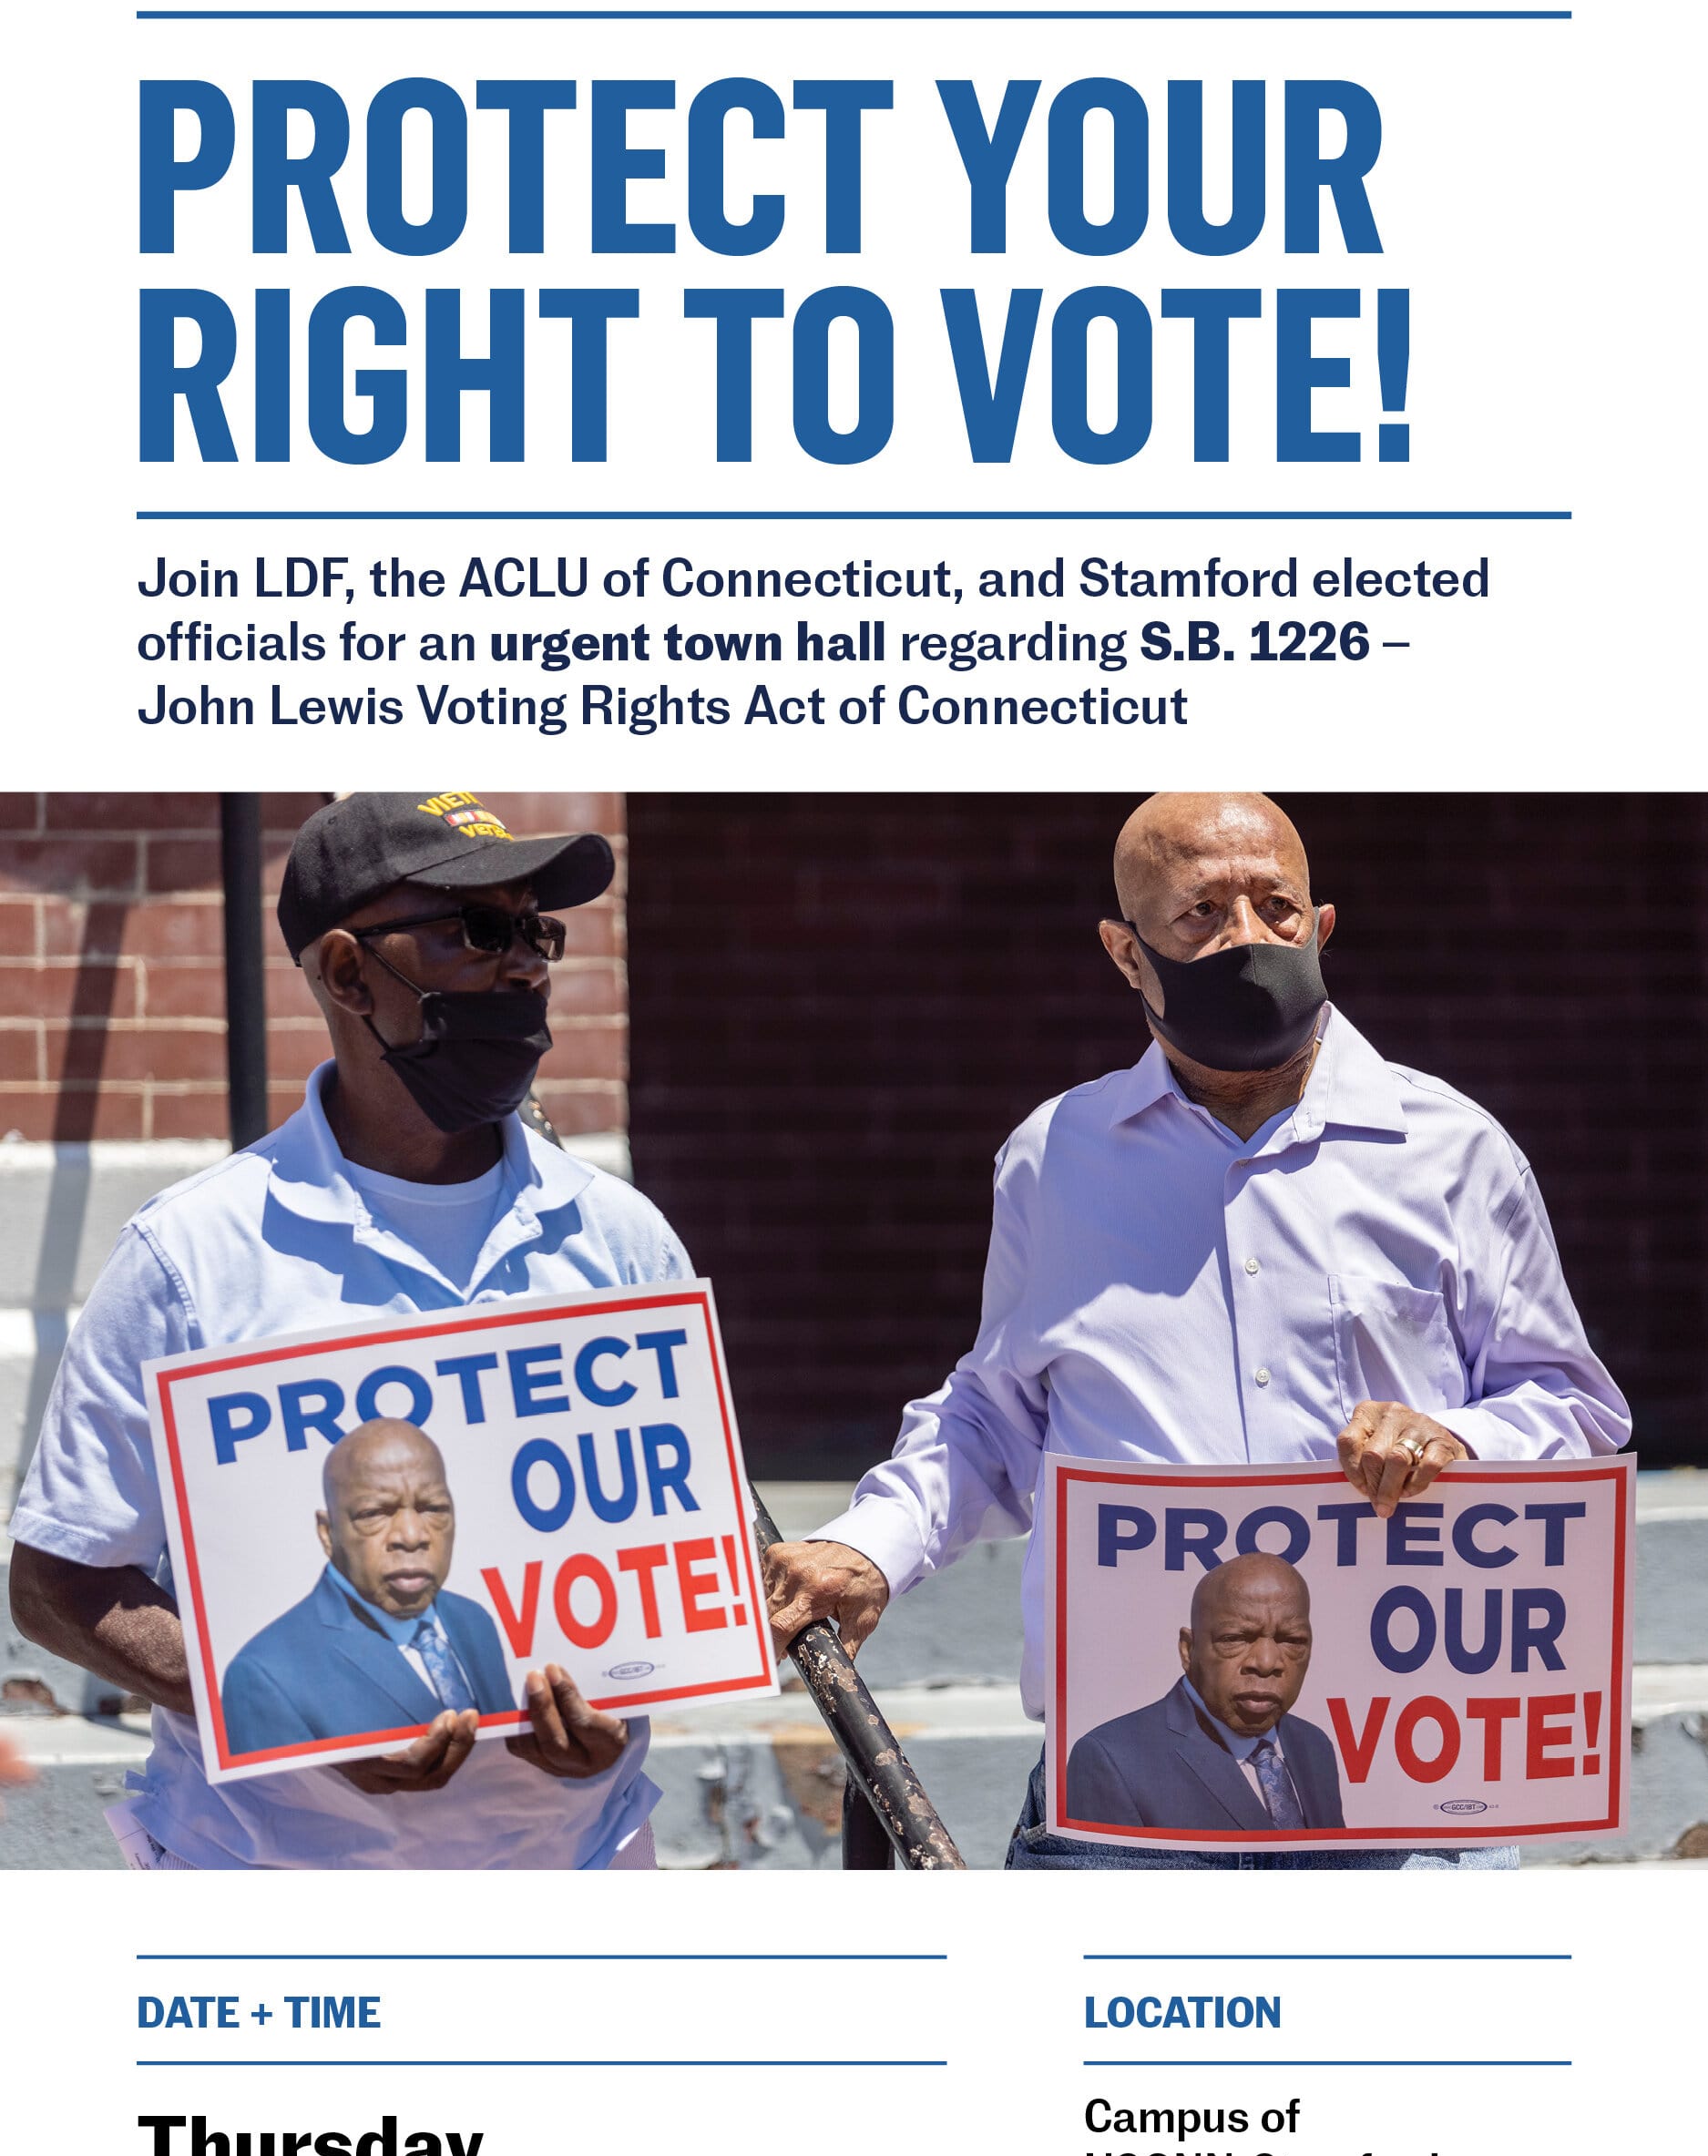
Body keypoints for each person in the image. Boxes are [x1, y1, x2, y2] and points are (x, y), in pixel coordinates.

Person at [763, 789, 1631, 1871]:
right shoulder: (1057, 1159)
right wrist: (871, 1546)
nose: (1248, 941)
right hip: (1124, 1808)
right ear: (1126, 955)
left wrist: (1463, 1444)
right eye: (1201, 916)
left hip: (1400, 1813)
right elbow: (995, 1411)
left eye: (1275, 907)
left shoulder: (1453, 1151)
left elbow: (1575, 1412)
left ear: (1320, 928)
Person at [8, 790, 688, 1869]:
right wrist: (277, 1708)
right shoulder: (191, 1259)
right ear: (344, 973)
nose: (523, 966)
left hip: (580, 1881)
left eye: (535, 931)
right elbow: (60, 1580)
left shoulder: (620, 1240)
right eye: (477, 930)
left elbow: (672, 1549)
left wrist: (640, 1687)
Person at [220, 1419, 515, 1756]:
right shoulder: (265, 1676)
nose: (411, 1535)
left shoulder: (472, 1620)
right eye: (375, 1513)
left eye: (433, 1509)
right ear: (328, 1533)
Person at [1064, 1553, 1345, 1835]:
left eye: (1293, 1641)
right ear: (1188, 1650)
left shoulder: (1313, 1744)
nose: (1267, 1662)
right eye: (1235, 1639)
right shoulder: (1114, 1760)